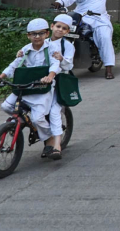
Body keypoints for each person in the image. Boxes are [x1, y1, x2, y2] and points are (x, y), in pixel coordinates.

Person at [0, 18, 62, 158]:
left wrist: (50, 76)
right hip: (25, 86)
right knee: (6, 106)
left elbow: (55, 64)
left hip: (42, 88)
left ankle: (49, 138)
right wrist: (1, 75)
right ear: (28, 35)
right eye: (33, 34)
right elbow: (14, 65)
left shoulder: (52, 48)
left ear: (47, 34)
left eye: (41, 33)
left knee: (37, 118)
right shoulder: (25, 50)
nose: (37, 37)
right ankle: (19, 122)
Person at [52, 0, 117, 79]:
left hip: (101, 19)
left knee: (105, 37)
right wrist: (60, 2)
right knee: (65, 33)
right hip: (84, 17)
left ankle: (108, 69)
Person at [45, 13, 76, 157]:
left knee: (54, 110)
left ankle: (56, 145)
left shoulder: (67, 45)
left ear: (67, 31)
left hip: (59, 80)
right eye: (58, 26)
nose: (60, 30)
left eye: (64, 28)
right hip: (43, 78)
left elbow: (69, 65)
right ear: (52, 26)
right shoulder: (43, 41)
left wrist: (61, 58)